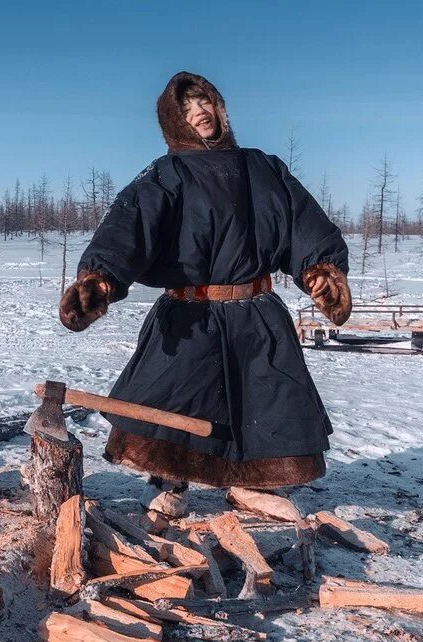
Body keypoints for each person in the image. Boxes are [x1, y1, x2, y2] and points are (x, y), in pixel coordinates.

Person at [59, 71, 352, 517]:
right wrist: (99, 278)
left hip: (256, 311)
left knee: (266, 398)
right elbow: (129, 227)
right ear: (174, 122)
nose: (199, 112)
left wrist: (321, 271)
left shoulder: (263, 167)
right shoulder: (165, 173)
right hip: (189, 311)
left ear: (221, 108)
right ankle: (173, 484)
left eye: (205, 102)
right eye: (188, 108)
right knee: (170, 394)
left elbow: (301, 222)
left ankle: (254, 487)